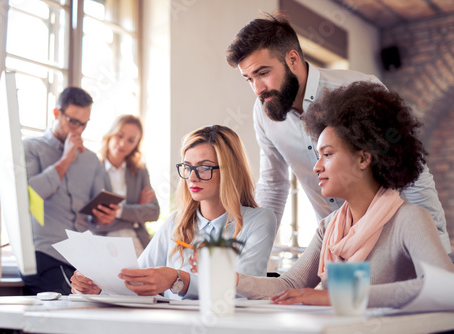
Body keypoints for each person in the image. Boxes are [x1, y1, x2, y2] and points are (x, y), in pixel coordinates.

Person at [226, 14, 451, 252]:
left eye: (262, 73)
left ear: (292, 58)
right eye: (249, 78)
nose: (257, 89)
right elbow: (273, 186)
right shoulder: (263, 113)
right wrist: (252, 254)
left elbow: (410, 172)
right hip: (335, 244)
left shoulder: (360, 90)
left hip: (391, 238)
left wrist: (437, 244)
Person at [233, 81, 454, 308]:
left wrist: (338, 297)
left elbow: (445, 286)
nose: (317, 167)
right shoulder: (329, 227)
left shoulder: (409, 219)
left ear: (363, 158)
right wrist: (230, 279)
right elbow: (289, 284)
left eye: (327, 154)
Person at [70, 125, 277, 299]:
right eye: (188, 167)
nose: (192, 178)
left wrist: (178, 278)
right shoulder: (175, 223)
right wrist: (99, 289)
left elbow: (243, 290)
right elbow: (137, 283)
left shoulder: (259, 221)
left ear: (230, 171)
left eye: (204, 168)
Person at [22, 87, 119, 295]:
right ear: (57, 113)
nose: (79, 130)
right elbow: (28, 196)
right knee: (69, 309)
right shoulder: (31, 148)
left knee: (109, 304)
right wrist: (66, 159)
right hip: (44, 254)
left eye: (84, 124)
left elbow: (94, 215)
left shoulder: (91, 160)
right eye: (73, 121)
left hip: (82, 258)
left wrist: (102, 218)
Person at [93, 115, 160, 257]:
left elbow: (154, 212)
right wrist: (135, 216)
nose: (123, 144)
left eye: (131, 140)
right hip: (104, 245)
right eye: (120, 136)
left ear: (136, 144)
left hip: (137, 244)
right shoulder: (93, 169)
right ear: (111, 135)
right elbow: (91, 222)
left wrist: (117, 212)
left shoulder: (140, 171)